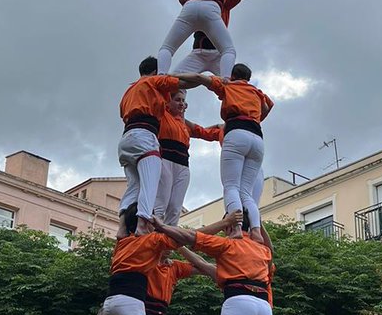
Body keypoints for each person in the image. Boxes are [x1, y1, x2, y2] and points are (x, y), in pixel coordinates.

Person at [187, 65, 273, 231]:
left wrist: (171, 76)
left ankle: (236, 229)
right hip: (256, 139)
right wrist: (254, 116)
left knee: (232, 187)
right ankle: (255, 231)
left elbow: (200, 78)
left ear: (232, 76)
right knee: (248, 196)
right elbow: (267, 107)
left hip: (238, 140)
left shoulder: (229, 87)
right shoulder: (257, 92)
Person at [117, 58, 181, 236]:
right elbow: (180, 82)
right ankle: (142, 224)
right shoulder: (154, 81)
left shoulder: (129, 91)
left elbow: (123, 114)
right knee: (150, 184)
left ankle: (122, 227)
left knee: (134, 186)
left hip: (126, 139)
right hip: (144, 136)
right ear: (156, 71)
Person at [156, 0, 249, 80]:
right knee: (229, 50)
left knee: (167, 47)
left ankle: (160, 76)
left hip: (191, 5)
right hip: (212, 8)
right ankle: (226, 81)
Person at [154, 88, 223, 227]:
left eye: (183, 101)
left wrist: (221, 127)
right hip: (165, 160)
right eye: (177, 100)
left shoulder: (184, 123)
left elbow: (204, 132)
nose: (181, 104)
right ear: (168, 101)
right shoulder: (162, 115)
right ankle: (152, 236)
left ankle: (168, 242)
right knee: (161, 203)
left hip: (183, 165)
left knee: (175, 207)